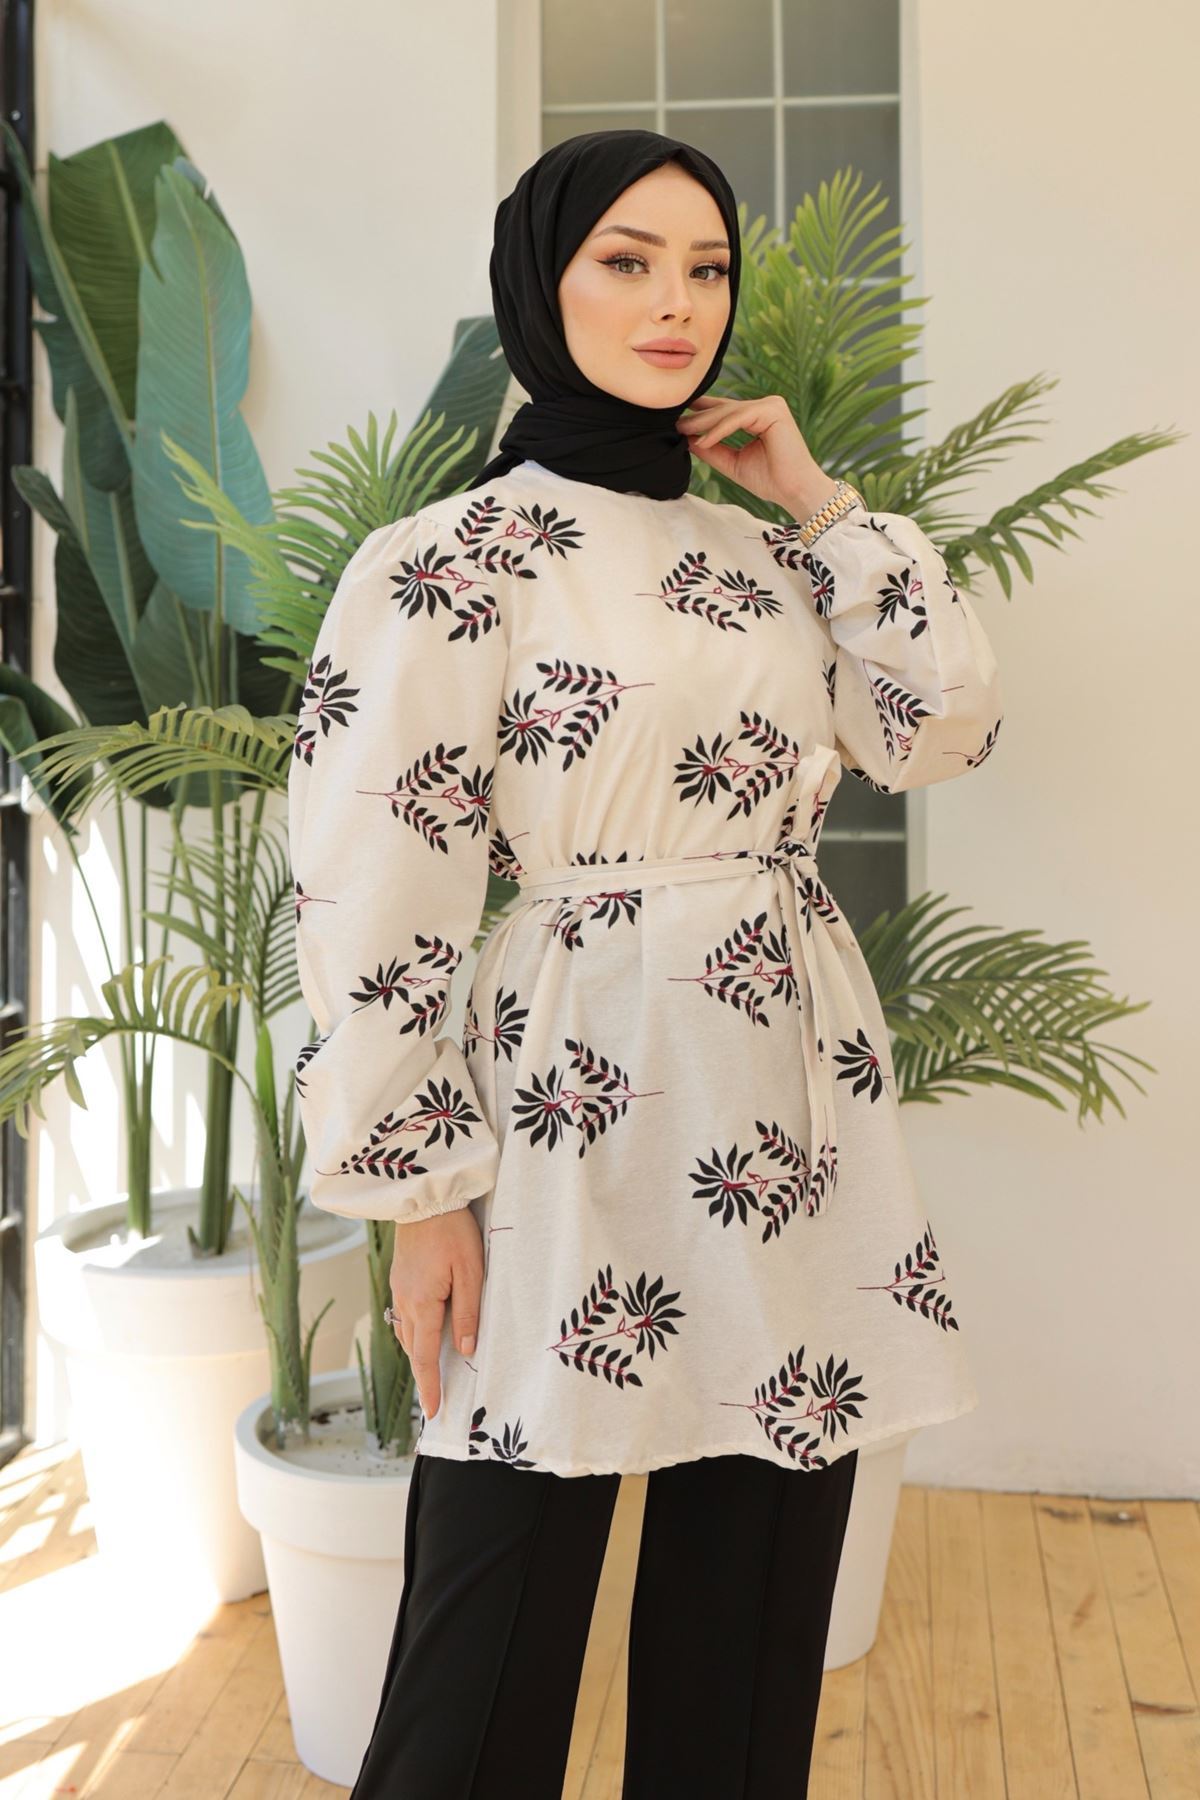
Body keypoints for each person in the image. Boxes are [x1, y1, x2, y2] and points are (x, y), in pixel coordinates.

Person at [288, 128, 1003, 1797]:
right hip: (566, 1102)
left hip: (786, 1117)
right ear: (541, 285)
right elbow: (372, 885)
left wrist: (819, 502)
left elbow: (944, 727)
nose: (677, 302)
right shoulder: (450, 563)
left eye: (706, 267)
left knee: (751, 1623)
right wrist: (419, 1192)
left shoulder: (769, 558)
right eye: (626, 260)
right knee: (487, 1633)